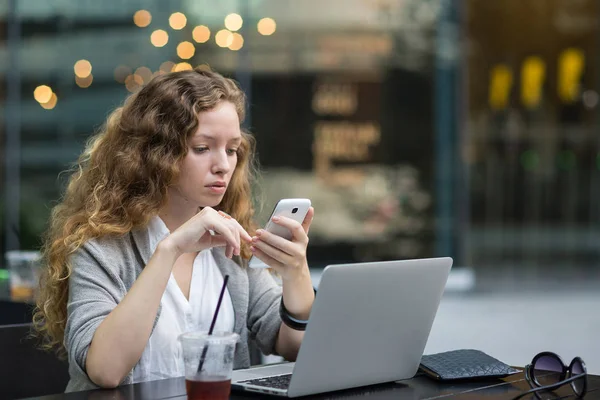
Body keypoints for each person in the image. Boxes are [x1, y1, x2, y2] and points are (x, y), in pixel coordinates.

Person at [33, 68, 316, 392]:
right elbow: (105, 371)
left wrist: (296, 274)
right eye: (202, 147)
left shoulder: (229, 244)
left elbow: (295, 347)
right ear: (156, 153)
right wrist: (169, 250)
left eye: (232, 149)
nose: (223, 164)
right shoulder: (100, 249)